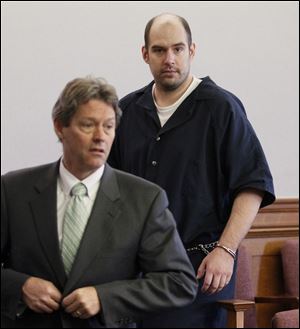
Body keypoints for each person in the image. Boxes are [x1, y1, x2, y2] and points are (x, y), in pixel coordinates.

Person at [108, 13, 276, 328]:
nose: (169, 59)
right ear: (145, 54)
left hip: (200, 270)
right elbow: (111, 192)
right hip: (136, 271)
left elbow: (252, 186)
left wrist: (226, 251)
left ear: (192, 50)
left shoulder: (221, 107)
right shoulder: (127, 111)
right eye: (159, 50)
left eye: (178, 49)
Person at [1, 77, 199, 328]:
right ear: (60, 127)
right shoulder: (13, 190)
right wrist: (20, 287)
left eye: (108, 127)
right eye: (88, 125)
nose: (100, 137)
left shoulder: (145, 199)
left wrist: (104, 297)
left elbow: (179, 282)